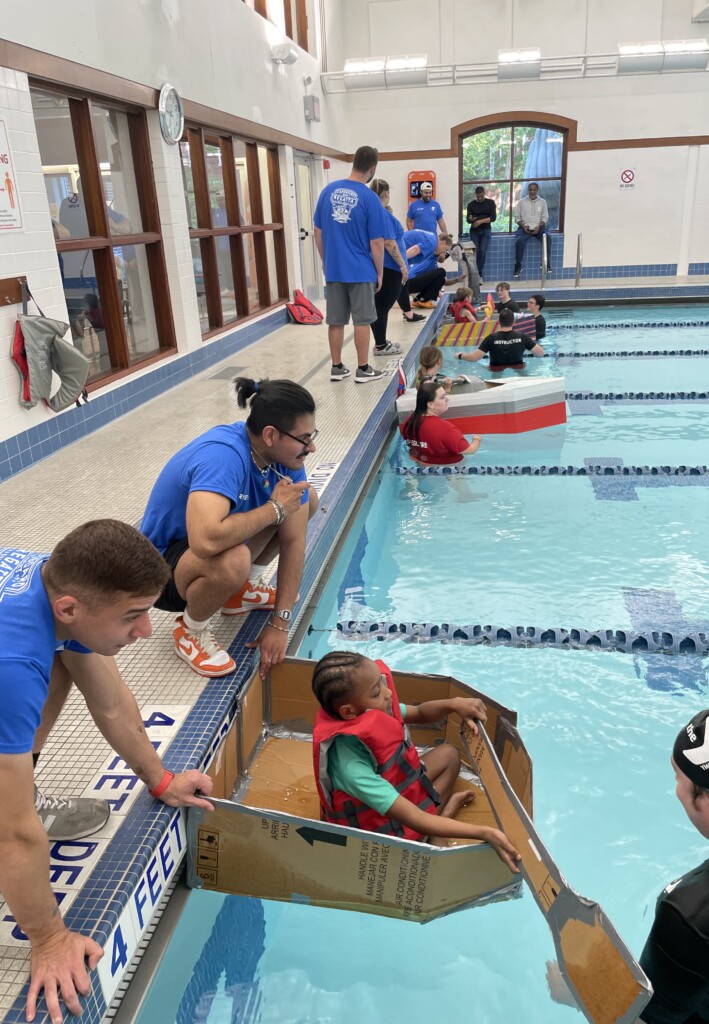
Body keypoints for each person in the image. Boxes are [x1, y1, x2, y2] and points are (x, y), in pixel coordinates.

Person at [0, 520, 214, 1024]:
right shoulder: (12, 663)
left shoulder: (52, 583)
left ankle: (16, 785)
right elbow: (12, 838)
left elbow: (112, 702)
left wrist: (160, 780)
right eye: (133, 616)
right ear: (70, 607)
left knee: (66, 660)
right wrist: (50, 939)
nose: (145, 631)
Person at [548, 705, 709, 1024]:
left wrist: (577, 991)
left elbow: (641, 1021)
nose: (675, 790)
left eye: (678, 778)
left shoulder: (693, 917)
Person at [140, 377, 316, 679]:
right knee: (234, 558)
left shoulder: (286, 456)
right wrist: (274, 509)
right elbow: (205, 541)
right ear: (271, 435)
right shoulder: (222, 457)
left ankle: (240, 591)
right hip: (157, 569)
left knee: (305, 498)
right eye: (304, 438)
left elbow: (293, 540)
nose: (311, 447)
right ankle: (191, 630)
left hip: (206, 548)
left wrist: (280, 625)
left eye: (312, 436)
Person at [310, 651, 521, 869]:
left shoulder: (373, 711)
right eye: (376, 692)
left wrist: (454, 703)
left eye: (382, 683)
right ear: (348, 712)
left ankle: (439, 823)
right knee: (423, 844)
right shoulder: (350, 768)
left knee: (449, 754)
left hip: (396, 793)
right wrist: (484, 832)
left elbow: (420, 712)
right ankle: (442, 820)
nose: (388, 693)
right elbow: (415, 818)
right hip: (380, 829)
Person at [312, 145, 386, 384]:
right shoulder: (369, 198)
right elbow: (376, 241)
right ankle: (363, 369)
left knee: (336, 319)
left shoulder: (327, 191)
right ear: (372, 168)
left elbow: (318, 231)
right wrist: (380, 272)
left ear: (353, 163)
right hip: (360, 269)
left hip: (335, 269)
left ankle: (337, 367)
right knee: (362, 320)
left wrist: (325, 261)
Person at [368, 179, 407, 356]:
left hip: (384, 267)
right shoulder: (382, 215)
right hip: (391, 268)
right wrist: (402, 266)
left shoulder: (378, 212)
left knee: (379, 306)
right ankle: (381, 345)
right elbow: (390, 243)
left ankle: (381, 343)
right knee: (381, 308)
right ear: (386, 194)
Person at [400, 381, 482, 464]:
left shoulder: (409, 421)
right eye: (442, 397)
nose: (447, 399)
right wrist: (477, 438)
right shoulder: (446, 429)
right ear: (430, 405)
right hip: (449, 468)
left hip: (421, 462)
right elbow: (470, 450)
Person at [457, 307, 545, 370]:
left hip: (495, 370)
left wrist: (460, 355)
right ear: (513, 321)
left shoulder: (491, 338)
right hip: (518, 368)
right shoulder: (522, 337)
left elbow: (474, 358)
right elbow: (540, 353)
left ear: (499, 321)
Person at [399, 229, 451, 310]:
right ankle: (423, 300)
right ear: (443, 242)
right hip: (407, 282)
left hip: (405, 281)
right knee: (441, 272)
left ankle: (418, 301)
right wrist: (400, 261)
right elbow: (415, 249)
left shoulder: (430, 242)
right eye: (446, 249)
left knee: (439, 274)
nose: (444, 253)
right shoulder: (432, 242)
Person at [513, 182, 550, 278]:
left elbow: (545, 217)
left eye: (534, 190)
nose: (532, 191)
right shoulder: (521, 202)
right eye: (530, 189)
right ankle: (518, 265)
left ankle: (546, 263)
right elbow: (517, 218)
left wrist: (539, 226)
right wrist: (523, 225)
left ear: (537, 190)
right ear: (528, 190)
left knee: (548, 237)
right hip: (525, 228)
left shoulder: (543, 202)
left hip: (539, 228)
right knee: (519, 241)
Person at [466, 185, 497, 282]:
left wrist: (480, 221)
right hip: (474, 231)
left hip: (485, 230)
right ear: (475, 195)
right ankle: (473, 273)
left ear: (484, 194)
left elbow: (493, 218)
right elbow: (468, 219)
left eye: (481, 196)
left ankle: (479, 273)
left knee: (482, 252)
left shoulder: (490, 203)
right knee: (474, 252)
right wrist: (471, 219)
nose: (479, 198)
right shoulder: (471, 205)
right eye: (477, 197)